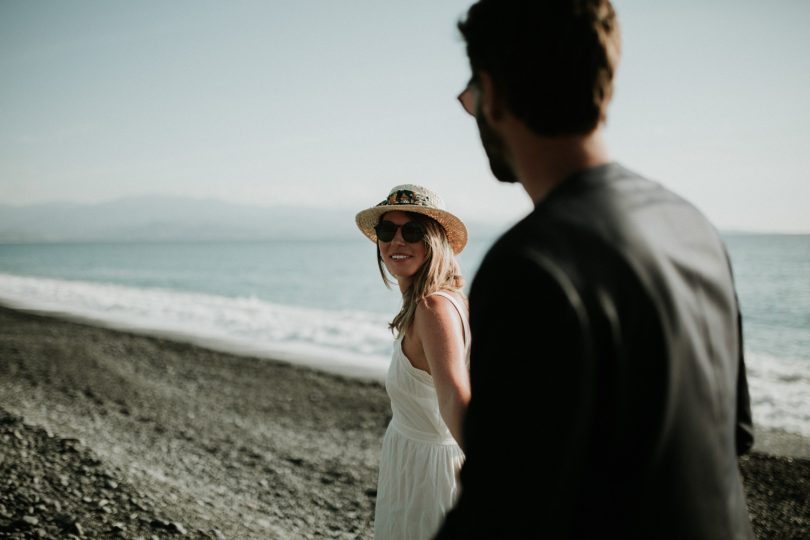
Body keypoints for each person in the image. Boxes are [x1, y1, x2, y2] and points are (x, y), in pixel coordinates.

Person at [435, 1, 755, 539]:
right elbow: (734, 433)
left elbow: (501, 512)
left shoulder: (533, 264)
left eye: (471, 95)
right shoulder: (691, 225)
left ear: (494, 92)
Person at [355, 184, 472, 539]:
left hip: (431, 475)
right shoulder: (441, 302)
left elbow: (454, 397)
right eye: (387, 231)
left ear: (435, 241)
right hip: (412, 463)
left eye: (413, 231)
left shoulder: (433, 307)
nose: (397, 241)